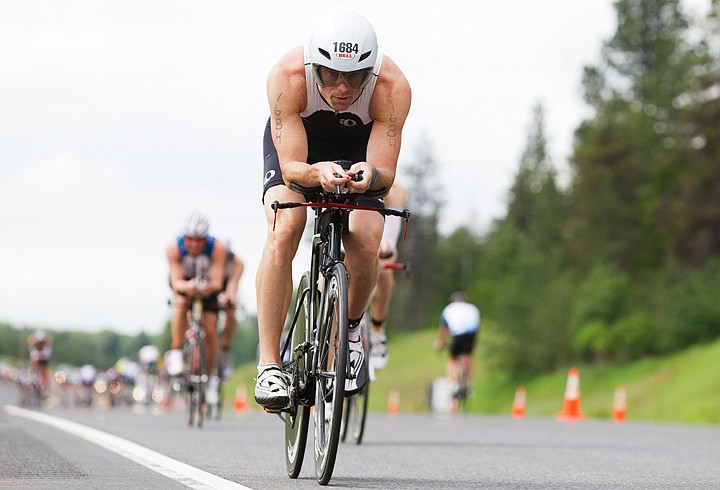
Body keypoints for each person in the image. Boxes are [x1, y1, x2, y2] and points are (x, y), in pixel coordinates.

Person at [254, 10, 412, 410]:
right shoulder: (287, 78)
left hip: (360, 151)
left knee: (366, 239)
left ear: (371, 70)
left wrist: (369, 174)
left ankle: (352, 329)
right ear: (313, 65)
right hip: (301, 150)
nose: (342, 87)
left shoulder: (392, 87)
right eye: (330, 74)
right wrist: (314, 171)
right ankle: (270, 364)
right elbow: (291, 169)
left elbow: (386, 175)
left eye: (355, 76)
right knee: (286, 225)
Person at [166, 211, 228, 401]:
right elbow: (175, 281)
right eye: (189, 239)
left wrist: (205, 288)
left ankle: (210, 378)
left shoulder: (217, 248)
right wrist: (187, 287)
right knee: (181, 303)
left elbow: (217, 282)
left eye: (199, 240)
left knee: (209, 329)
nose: (194, 244)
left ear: (205, 238)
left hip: (208, 286)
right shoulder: (173, 248)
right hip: (184, 284)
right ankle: (176, 350)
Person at [368, 180, 407, 370]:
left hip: (375, 244)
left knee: (383, 268)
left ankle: (377, 329)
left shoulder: (394, 191)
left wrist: (383, 250)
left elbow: (389, 249)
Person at [433, 292, 481, 402]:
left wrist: (440, 342)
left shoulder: (449, 309)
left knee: (452, 359)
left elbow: (443, 329)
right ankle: (468, 384)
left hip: (457, 334)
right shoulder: (472, 308)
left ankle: (454, 385)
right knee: (468, 355)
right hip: (471, 334)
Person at [217, 244, 245, 377]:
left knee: (231, 314)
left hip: (224, 290)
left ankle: (224, 350)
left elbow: (233, 285)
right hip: (210, 289)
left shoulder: (237, 263)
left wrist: (229, 298)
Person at [27, 329, 53, 395]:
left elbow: (47, 355)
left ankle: (45, 387)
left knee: (44, 371)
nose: (40, 343)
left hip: (44, 361)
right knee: (33, 365)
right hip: (36, 361)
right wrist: (39, 355)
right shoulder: (32, 343)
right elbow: (33, 355)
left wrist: (41, 355)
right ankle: (33, 380)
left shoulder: (47, 344)